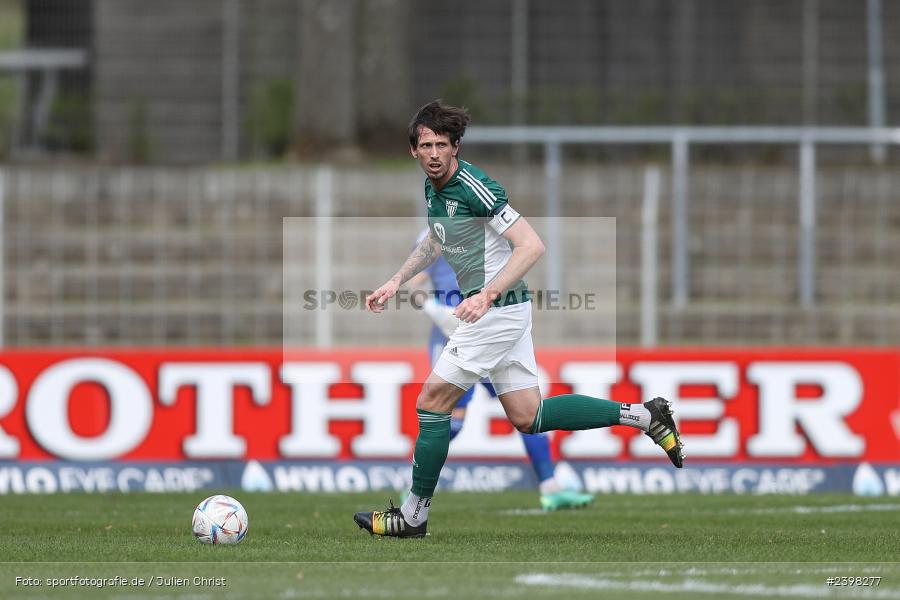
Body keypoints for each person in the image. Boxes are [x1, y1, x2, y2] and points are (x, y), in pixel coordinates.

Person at [354, 100, 684, 538]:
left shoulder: (476, 187)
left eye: (442, 145)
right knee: (528, 415)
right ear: (414, 150)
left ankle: (413, 516)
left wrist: (486, 295)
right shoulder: (434, 188)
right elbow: (436, 241)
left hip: (496, 310)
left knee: (431, 402)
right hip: (505, 311)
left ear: (456, 147)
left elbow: (531, 244)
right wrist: (396, 281)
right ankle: (645, 416)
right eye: (426, 145)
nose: (434, 153)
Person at [408, 239, 595, 511]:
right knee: (450, 418)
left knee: (527, 410)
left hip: (489, 331)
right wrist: (436, 311)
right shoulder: (436, 231)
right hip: (452, 336)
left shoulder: (488, 225)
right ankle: (414, 486)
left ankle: (550, 487)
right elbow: (414, 284)